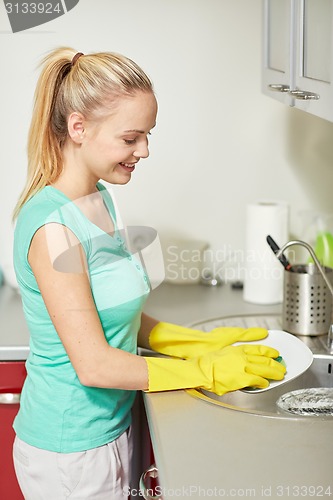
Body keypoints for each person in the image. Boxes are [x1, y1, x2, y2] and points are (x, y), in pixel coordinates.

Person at [12, 47, 286, 500]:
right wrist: (205, 370)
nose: (144, 150)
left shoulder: (99, 198)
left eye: (147, 135)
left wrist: (191, 341)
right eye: (131, 138)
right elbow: (95, 364)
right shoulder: (53, 228)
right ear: (78, 128)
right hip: (70, 454)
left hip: (114, 428)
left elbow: (113, 313)